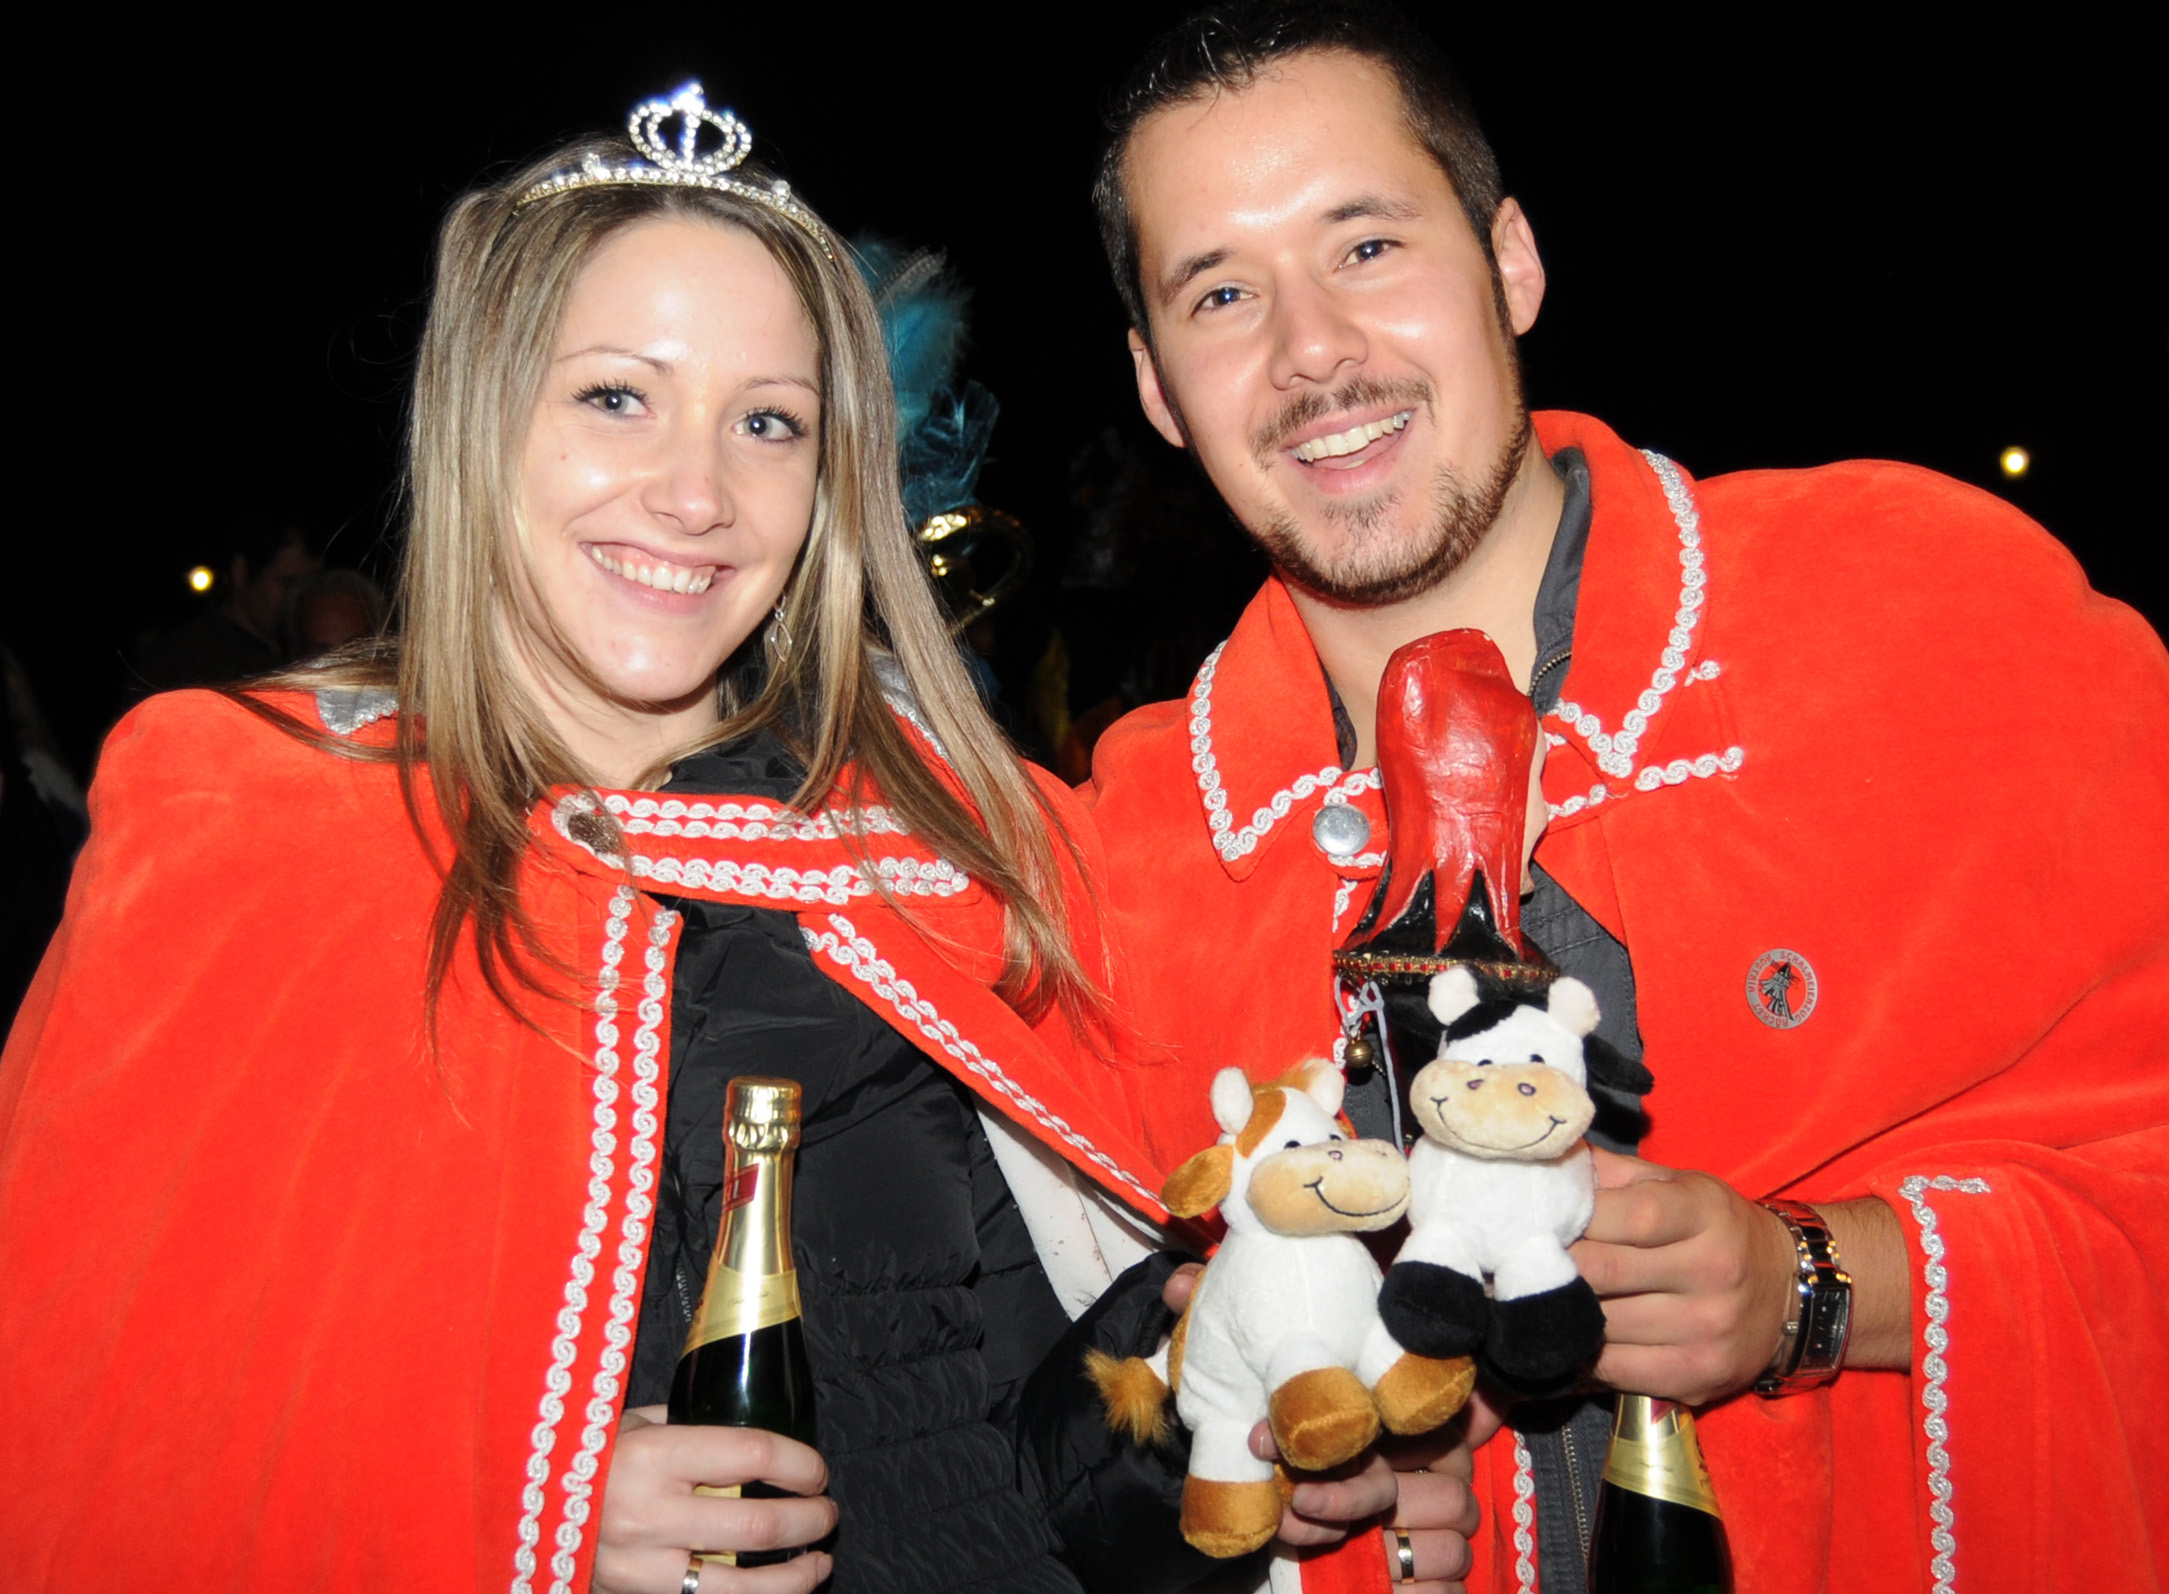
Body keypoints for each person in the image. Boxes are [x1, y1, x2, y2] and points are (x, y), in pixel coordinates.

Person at [0, 83, 1276, 1594]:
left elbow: (1019, 1454)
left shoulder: (944, 845)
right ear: (486, 415)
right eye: (617, 396)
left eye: (767, 422)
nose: (695, 494)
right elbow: (91, 1438)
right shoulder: (245, 814)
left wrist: (1217, 1395)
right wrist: (515, 1512)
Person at [1076, 6, 2169, 1593]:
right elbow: (1021, 1394)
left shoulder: (1930, 618)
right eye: (1222, 292)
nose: (1310, 348)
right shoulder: (1126, 862)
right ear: (1157, 386)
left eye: (1366, 245)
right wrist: (1223, 1440)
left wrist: (1815, 1286)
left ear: (1509, 262)